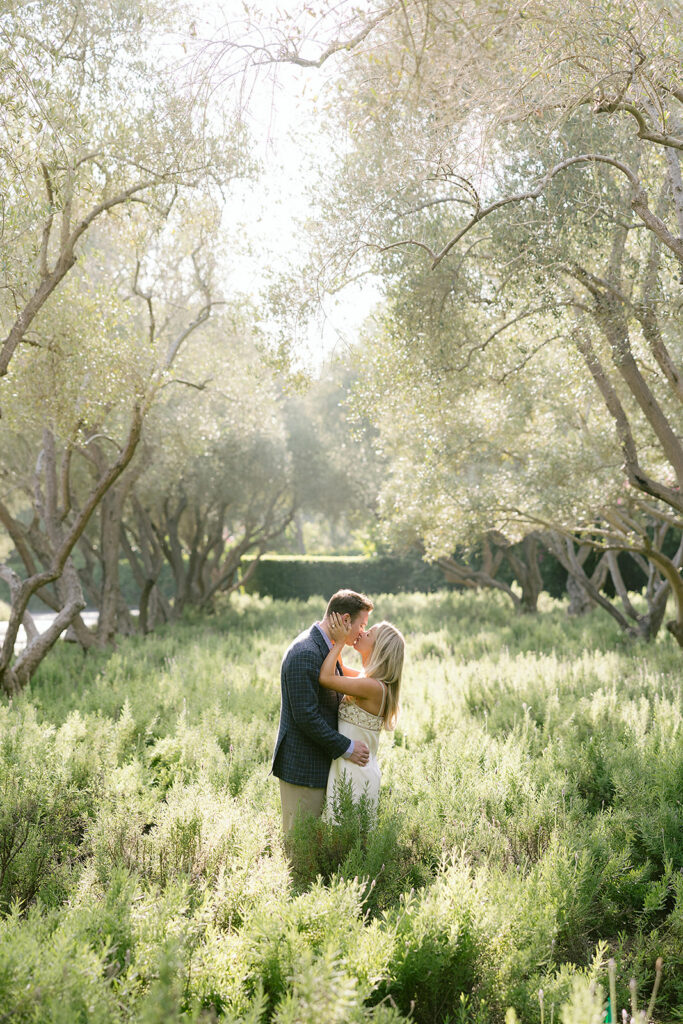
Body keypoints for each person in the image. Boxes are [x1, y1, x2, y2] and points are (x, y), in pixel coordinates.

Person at [272, 589, 374, 834]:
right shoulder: (306, 653)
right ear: (346, 620)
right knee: (299, 844)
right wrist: (347, 748)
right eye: (362, 624)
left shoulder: (327, 648)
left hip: (320, 766)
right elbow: (306, 717)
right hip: (304, 769)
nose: (362, 631)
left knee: (313, 846)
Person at [319, 612, 404, 823]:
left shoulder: (372, 687)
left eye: (370, 632)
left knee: (348, 843)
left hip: (356, 775)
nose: (363, 632)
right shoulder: (366, 679)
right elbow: (338, 666)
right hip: (350, 768)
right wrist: (342, 633)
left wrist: (339, 641)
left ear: (379, 648)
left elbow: (327, 677)